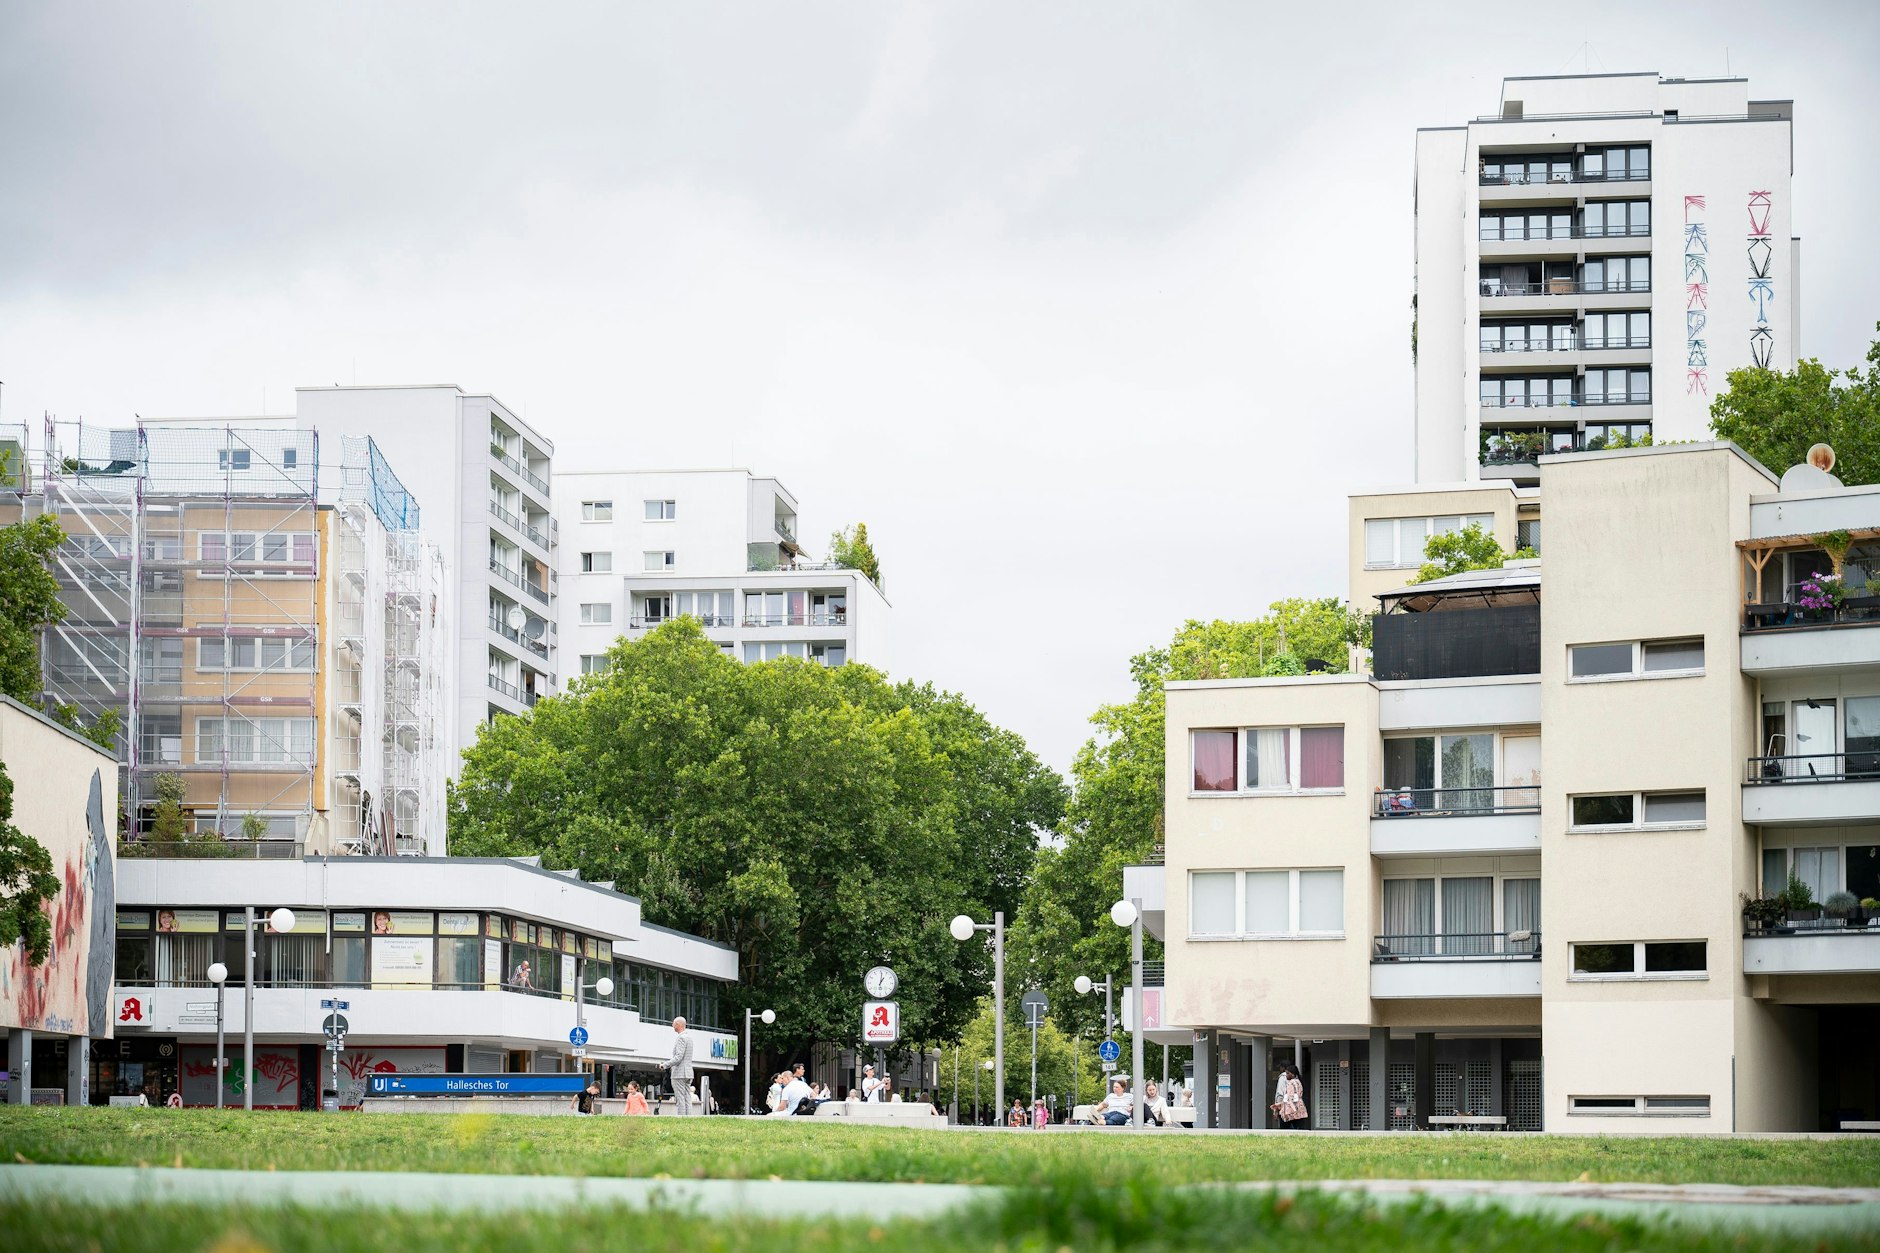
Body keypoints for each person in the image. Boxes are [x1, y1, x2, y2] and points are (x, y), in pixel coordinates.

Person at [662, 1017, 694, 1116]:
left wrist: (665, 1065)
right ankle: (689, 1118)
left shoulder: (681, 1038)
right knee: (687, 1097)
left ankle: (682, 1118)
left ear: (678, 1025)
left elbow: (678, 1057)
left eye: (673, 1024)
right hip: (688, 1072)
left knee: (680, 1097)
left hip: (680, 1073)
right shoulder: (689, 1038)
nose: (672, 1026)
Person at [1271, 1063, 1309, 1130]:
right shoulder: (1299, 1082)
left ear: (1293, 1074)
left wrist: (1278, 1107)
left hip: (1290, 1109)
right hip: (1299, 1108)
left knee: (1284, 1129)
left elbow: (1289, 1097)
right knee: (1299, 1128)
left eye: (1288, 1073)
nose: (1286, 1075)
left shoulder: (1291, 1083)